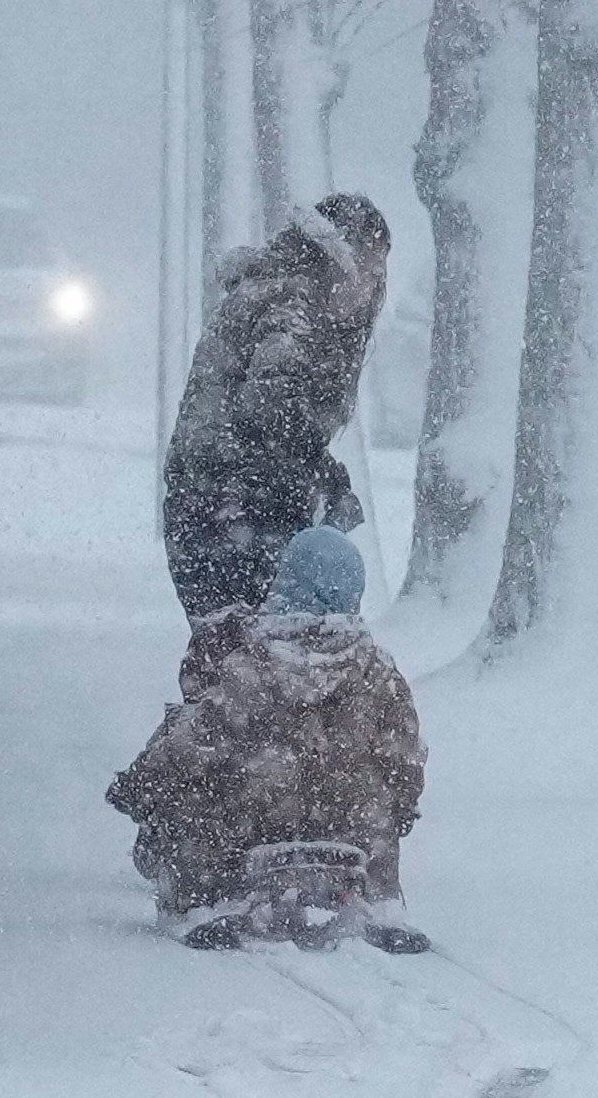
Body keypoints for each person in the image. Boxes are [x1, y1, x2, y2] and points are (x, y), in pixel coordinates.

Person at [107, 527, 430, 953]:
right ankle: (380, 901)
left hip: (258, 825)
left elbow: (194, 746)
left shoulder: (253, 665)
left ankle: (199, 901)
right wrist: (397, 812)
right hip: (354, 828)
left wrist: (142, 785)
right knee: (379, 801)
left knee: (196, 791)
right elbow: (405, 761)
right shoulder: (380, 671)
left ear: (286, 581)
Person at [163, 193, 391, 622]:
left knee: (237, 648)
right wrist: (326, 476)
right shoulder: (293, 300)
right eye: (370, 266)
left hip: (209, 508)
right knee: (283, 641)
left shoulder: (277, 285)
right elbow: (273, 405)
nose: (373, 283)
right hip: (237, 511)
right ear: (341, 256)